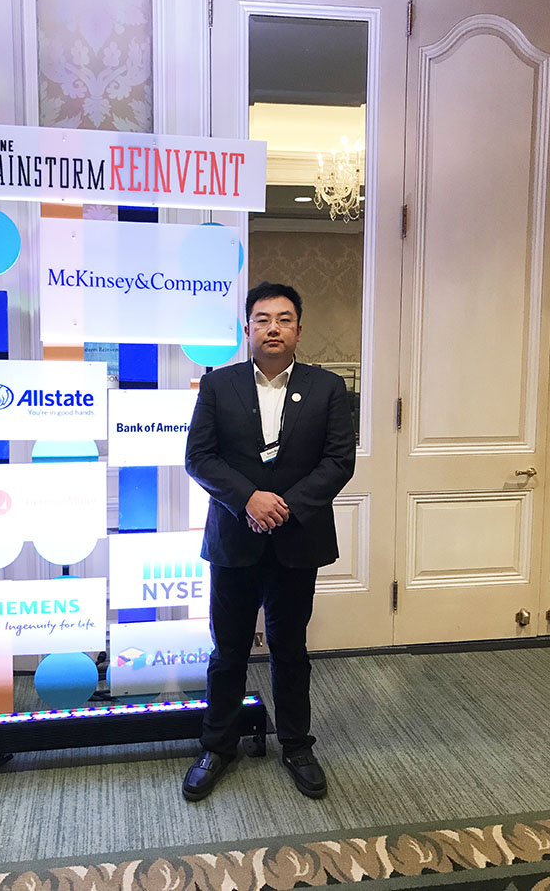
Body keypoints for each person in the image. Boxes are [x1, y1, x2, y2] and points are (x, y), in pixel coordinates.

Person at [183, 280, 356, 801]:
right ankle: (217, 746)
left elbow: (338, 461)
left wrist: (285, 506)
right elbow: (199, 458)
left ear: (299, 330)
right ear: (247, 329)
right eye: (262, 319)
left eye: (284, 319)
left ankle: (297, 746)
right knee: (228, 651)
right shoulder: (219, 386)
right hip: (235, 539)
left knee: (290, 649)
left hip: (296, 539)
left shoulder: (327, 387)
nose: (273, 328)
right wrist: (249, 500)